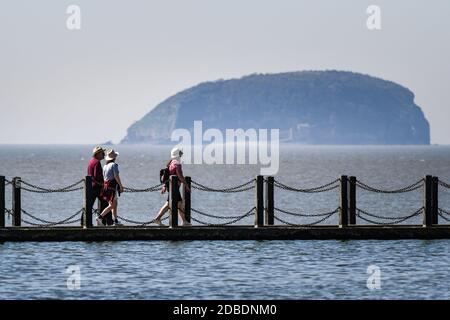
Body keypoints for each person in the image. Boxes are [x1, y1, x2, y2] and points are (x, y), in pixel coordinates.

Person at [153, 147, 191, 226]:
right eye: (180, 153)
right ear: (177, 154)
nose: (181, 155)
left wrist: (165, 186)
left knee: (177, 203)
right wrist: (186, 185)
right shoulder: (177, 164)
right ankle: (158, 218)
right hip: (174, 187)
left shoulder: (171, 163)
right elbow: (180, 176)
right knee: (172, 204)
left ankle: (184, 221)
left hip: (171, 186)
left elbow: (167, 175)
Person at [85, 146, 113, 226]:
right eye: (102, 153)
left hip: (91, 187)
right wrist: (104, 184)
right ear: (97, 154)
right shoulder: (97, 162)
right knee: (106, 204)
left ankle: (84, 222)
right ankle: (108, 222)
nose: (103, 154)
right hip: (97, 188)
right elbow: (98, 177)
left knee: (89, 205)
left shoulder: (91, 161)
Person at [96, 149, 124, 226]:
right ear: (114, 157)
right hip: (112, 187)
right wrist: (121, 186)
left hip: (106, 187)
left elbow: (104, 177)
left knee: (114, 204)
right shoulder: (114, 165)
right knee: (112, 205)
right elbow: (116, 176)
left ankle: (115, 221)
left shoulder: (105, 166)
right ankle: (100, 217)